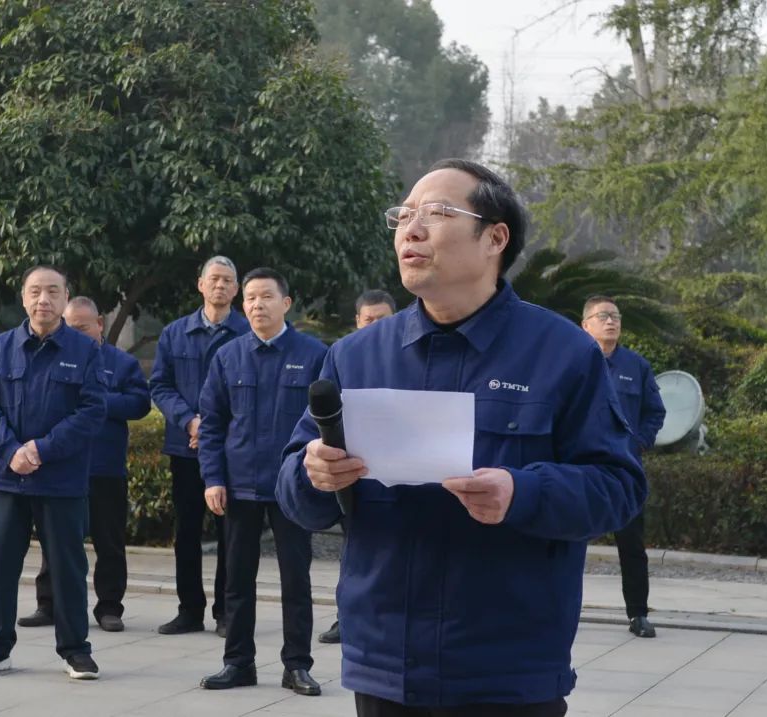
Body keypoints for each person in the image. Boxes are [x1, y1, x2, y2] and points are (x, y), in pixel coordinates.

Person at [277, 159, 646, 717]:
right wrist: (313, 473)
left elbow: (618, 487)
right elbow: (296, 492)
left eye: (436, 213)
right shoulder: (356, 356)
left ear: (495, 238)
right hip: (386, 666)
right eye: (403, 215)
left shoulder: (562, 354)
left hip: (507, 670)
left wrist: (522, 493)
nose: (411, 229)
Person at [0, 266, 107, 680]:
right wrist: (11, 450)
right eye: (35, 291)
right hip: (8, 477)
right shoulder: (0, 347)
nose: (43, 299)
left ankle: (75, 650)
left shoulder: (86, 350)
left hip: (61, 479)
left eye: (52, 292)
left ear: (65, 298)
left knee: (67, 568)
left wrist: (42, 449)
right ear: (24, 298)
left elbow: (92, 410)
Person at [198, 268, 327, 696]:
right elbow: (212, 424)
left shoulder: (314, 355)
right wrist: (213, 478)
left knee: (296, 580)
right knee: (236, 580)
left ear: (286, 303)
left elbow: (329, 423)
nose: (257, 305)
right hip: (240, 487)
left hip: (292, 489)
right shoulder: (228, 356)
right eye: (250, 298)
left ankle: (297, 666)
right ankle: (238, 663)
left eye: (266, 296)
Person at [17, 297, 150, 633]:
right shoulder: (56, 356)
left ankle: (109, 607)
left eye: (82, 327)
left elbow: (139, 403)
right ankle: (48, 604)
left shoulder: (121, 363)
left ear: (99, 324)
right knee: (55, 539)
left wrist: (97, 401)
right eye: (70, 326)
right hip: (61, 464)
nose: (75, 333)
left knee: (109, 541)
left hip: (104, 467)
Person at [149, 256, 250, 637]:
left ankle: (226, 612)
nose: (220, 285)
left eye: (227, 280)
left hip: (231, 450)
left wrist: (216, 428)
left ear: (236, 289)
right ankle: (189, 610)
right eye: (214, 279)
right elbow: (160, 385)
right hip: (185, 447)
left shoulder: (247, 332)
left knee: (230, 535)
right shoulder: (175, 333)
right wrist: (190, 421)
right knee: (187, 532)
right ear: (201, 285)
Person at [581, 296, 666, 639]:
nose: (611, 321)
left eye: (615, 316)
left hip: (624, 470)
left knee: (632, 545)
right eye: (603, 316)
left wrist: (637, 443)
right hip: (582, 468)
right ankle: (559, 612)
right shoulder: (572, 362)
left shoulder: (636, 366)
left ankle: (638, 614)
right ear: (585, 325)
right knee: (568, 542)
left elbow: (654, 412)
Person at [317, 288, 397, 646]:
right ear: (357, 322)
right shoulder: (345, 360)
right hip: (354, 478)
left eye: (382, 320)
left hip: (399, 478)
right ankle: (345, 617)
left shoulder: (407, 361)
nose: (375, 326)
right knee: (354, 553)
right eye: (368, 320)